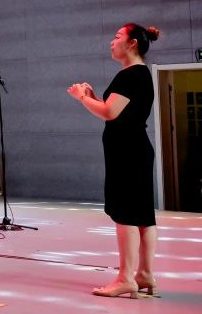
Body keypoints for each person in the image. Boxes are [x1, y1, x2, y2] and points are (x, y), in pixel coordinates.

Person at [67, 23, 162, 298]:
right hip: (135, 149)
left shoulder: (130, 75)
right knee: (142, 215)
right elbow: (116, 110)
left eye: (118, 36)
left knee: (126, 215)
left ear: (132, 43)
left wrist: (82, 98)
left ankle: (125, 278)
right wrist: (93, 97)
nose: (112, 41)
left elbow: (110, 113)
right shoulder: (140, 74)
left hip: (127, 152)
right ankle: (145, 274)